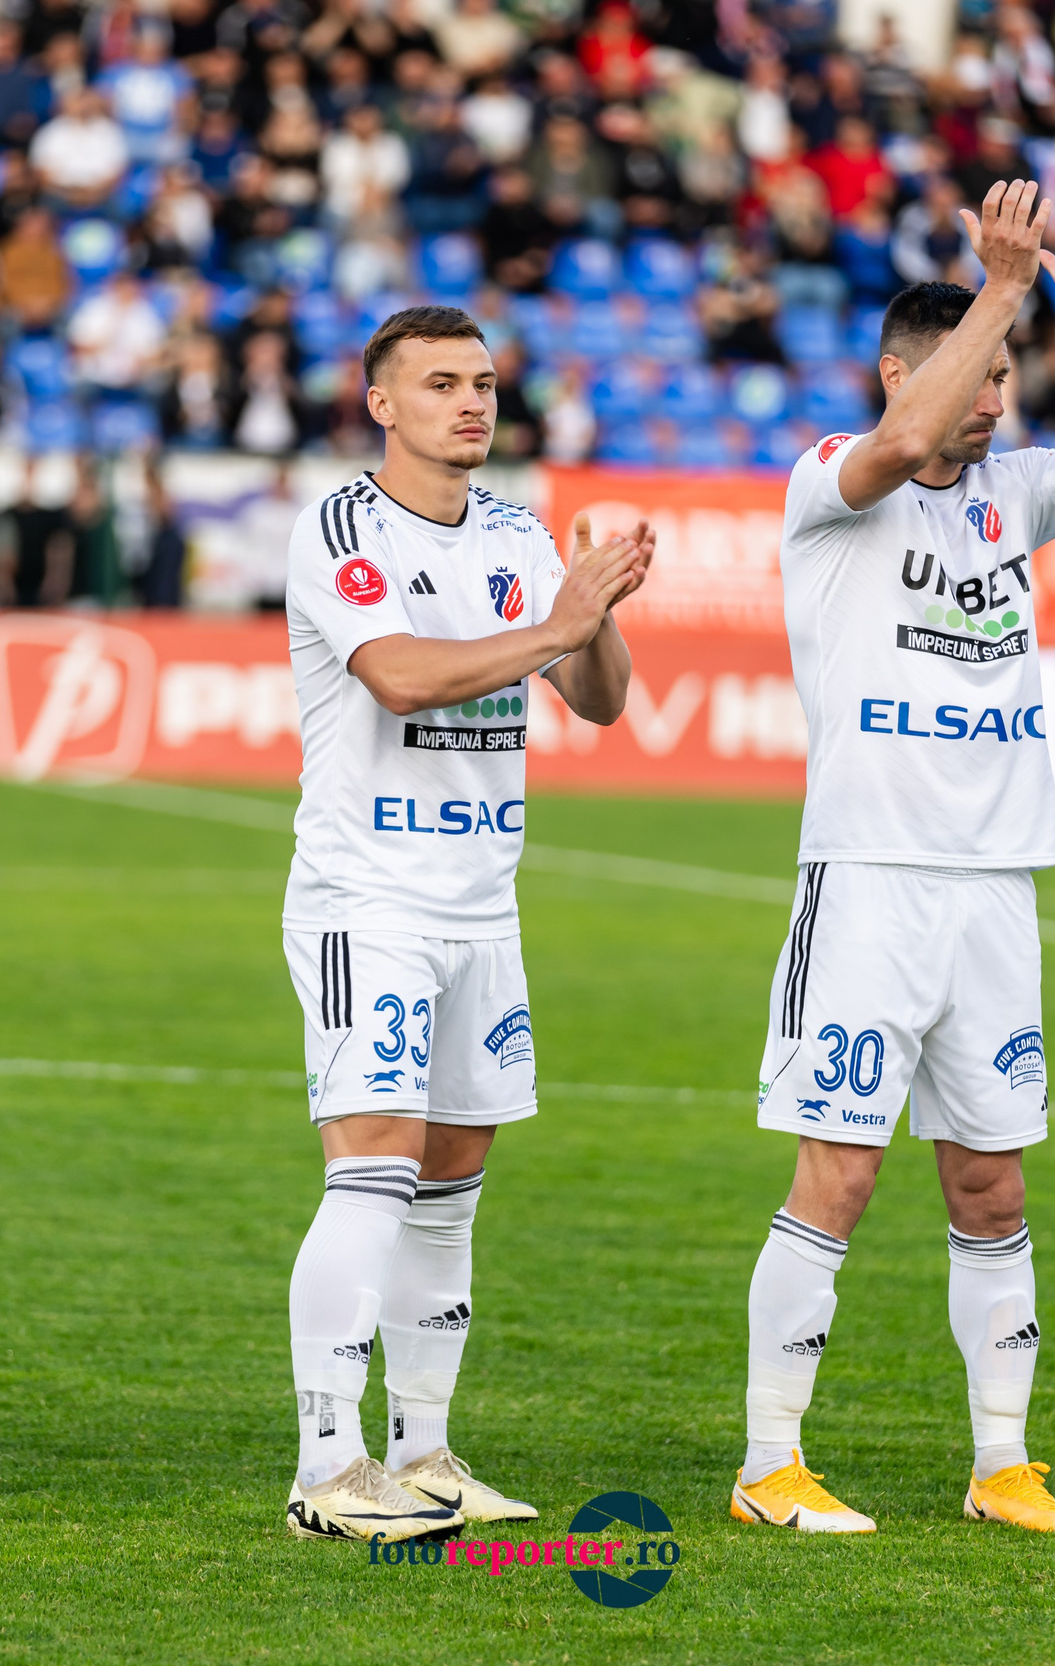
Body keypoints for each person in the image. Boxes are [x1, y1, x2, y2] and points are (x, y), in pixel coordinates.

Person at [729, 181, 1055, 1537]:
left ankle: (1002, 1461)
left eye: (1006, 372)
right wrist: (1000, 285)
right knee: (841, 1171)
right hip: (869, 878)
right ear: (900, 371)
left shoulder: (1016, 494)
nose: (999, 394)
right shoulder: (833, 485)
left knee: (992, 1180)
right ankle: (769, 1463)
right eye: (978, 373)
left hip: (995, 887)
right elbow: (900, 441)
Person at [277, 304, 654, 1543]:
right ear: (381, 402)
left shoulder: (515, 533)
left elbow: (596, 699)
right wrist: (554, 622)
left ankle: (424, 1454)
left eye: (484, 383)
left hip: (482, 902)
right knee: (373, 1161)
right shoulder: (342, 528)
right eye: (441, 383)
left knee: (450, 1187)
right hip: (367, 900)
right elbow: (397, 675)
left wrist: (593, 607)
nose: (472, 403)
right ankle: (326, 1469)